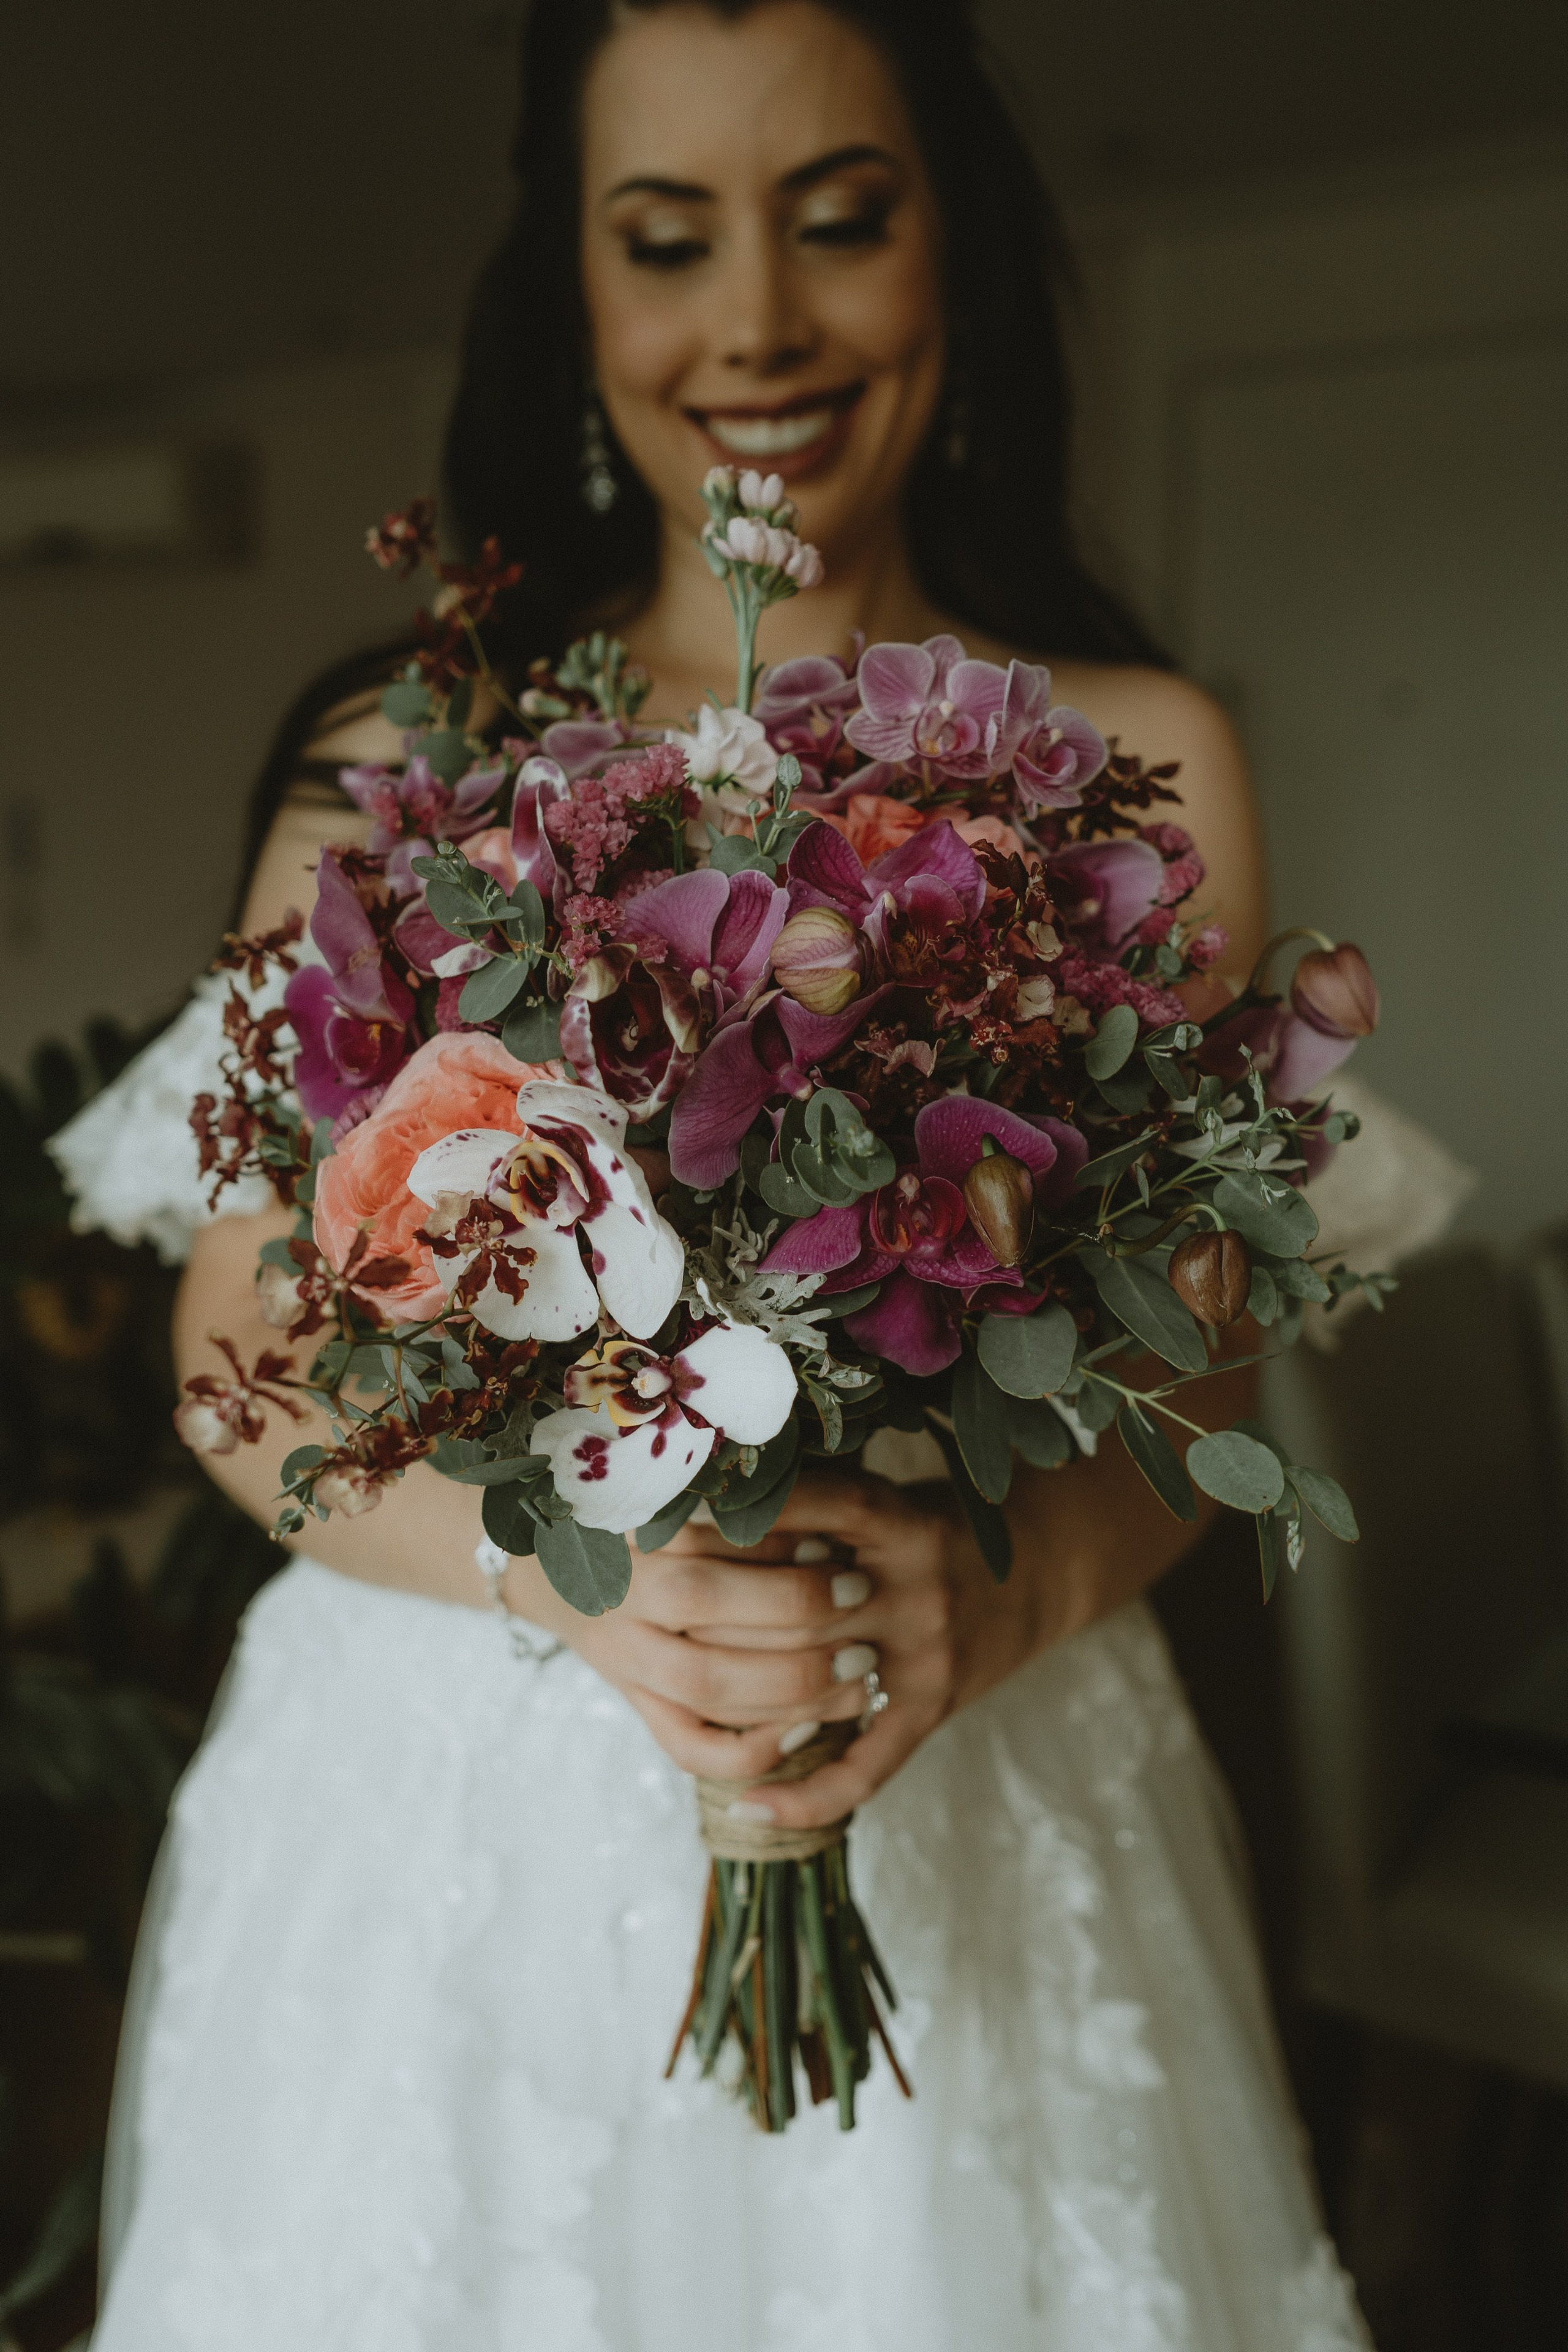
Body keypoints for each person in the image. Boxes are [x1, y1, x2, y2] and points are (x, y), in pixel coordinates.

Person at [61, 2, 1380, 2343]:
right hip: (451, 1823)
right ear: (576, 289)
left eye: (839, 218)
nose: (757, 320)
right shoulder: (409, 756)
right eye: (668, 238)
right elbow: (238, 1332)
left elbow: (1203, 1362)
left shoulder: (1139, 767)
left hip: (975, 1767)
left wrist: (1001, 1609)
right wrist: (559, 1581)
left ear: (951, 250)